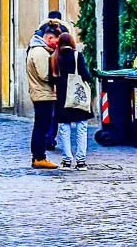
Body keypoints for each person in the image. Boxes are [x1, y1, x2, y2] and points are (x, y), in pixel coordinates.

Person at [25, 22, 68, 170]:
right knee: (41, 127)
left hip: (42, 93)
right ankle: (39, 157)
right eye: (56, 41)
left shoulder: (40, 50)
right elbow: (45, 75)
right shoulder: (40, 52)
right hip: (43, 94)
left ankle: (38, 156)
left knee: (41, 126)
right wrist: (59, 77)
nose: (57, 45)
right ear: (49, 38)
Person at [54, 27, 94, 168]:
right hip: (77, 94)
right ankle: (81, 160)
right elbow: (85, 74)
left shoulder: (55, 57)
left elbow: (51, 77)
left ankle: (66, 159)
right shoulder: (77, 56)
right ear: (71, 42)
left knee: (64, 128)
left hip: (62, 96)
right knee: (81, 127)